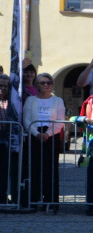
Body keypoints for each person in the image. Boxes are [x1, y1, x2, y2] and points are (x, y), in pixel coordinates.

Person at [22, 73, 66, 212]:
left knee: (50, 170)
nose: (45, 85)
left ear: (52, 85)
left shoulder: (58, 100)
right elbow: (26, 119)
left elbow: (60, 120)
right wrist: (36, 133)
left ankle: (51, 202)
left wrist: (48, 134)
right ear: (37, 85)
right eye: (42, 83)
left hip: (51, 135)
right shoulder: (30, 100)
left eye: (48, 82)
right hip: (34, 134)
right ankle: (32, 200)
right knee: (33, 169)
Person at [0, 74, 22, 205]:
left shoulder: (12, 101)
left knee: (4, 172)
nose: (2, 88)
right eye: (0, 86)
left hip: (7, 141)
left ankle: (3, 198)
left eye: (5, 86)